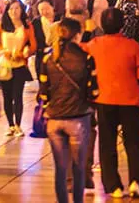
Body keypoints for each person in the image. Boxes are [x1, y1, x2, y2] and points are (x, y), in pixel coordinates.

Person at [82, 8, 139, 198]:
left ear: (102, 25)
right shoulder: (133, 46)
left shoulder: (95, 44)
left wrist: (88, 31)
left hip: (104, 99)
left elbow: (80, 48)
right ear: (122, 24)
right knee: (133, 142)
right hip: (130, 99)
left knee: (107, 143)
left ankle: (113, 186)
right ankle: (135, 182)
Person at [39, 17, 98, 203]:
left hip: (54, 118)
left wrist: (49, 105)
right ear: (77, 35)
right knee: (78, 169)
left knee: (60, 169)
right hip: (78, 118)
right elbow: (93, 91)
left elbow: (43, 92)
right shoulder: (86, 58)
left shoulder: (48, 59)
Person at [0, 0, 35, 137]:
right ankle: (10, 125)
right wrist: (4, 51)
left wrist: (25, 52)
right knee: (7, 96)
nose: (14, 11)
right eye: (11, 9)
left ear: (21, 10)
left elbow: (33, 45)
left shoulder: (27, 26)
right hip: (5, 65)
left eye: (17, 8)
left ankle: (18, 125)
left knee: (18, 95)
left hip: (19, 65)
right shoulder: (2, 25)